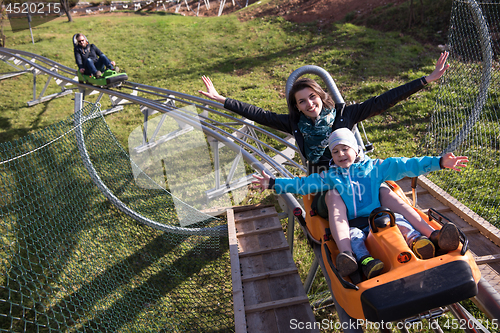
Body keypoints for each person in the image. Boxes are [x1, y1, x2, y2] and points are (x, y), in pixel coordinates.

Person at [198, 52, 455, 268]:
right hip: (326, 182)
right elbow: (258, 114)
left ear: (321, 95)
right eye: (302, 101)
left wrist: (426, 79)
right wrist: (222, 99)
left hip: (358, 175)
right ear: (296, 106)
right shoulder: (294, 123)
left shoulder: (344, 114)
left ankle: (424, 233)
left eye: (312, 97)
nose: (309, 104)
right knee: (334, 195)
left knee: (383, 190)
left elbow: (383, 101)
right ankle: (349, 253)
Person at [252, 128, 468, 279]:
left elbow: (405, 165)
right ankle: (357, 260)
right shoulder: (331, 176)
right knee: (355, 240)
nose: (340, 154)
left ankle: (426, 239)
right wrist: (273, 183)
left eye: (345, 148)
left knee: (402, 223)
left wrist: (439, 162)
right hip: (354, 223)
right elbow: (303, 184)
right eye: (335, 151)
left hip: (382, 216)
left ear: (356, 150)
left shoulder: (375, 167)